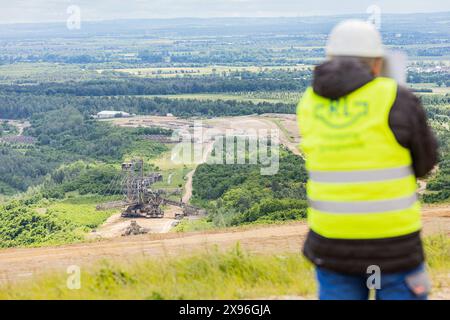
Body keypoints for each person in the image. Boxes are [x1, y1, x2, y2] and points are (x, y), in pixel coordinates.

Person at [297, 20, 438, 300]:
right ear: (376, 63)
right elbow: (425, 163)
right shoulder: (396, 97)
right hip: (394, 245)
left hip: (332, 244)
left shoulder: (309, 102)